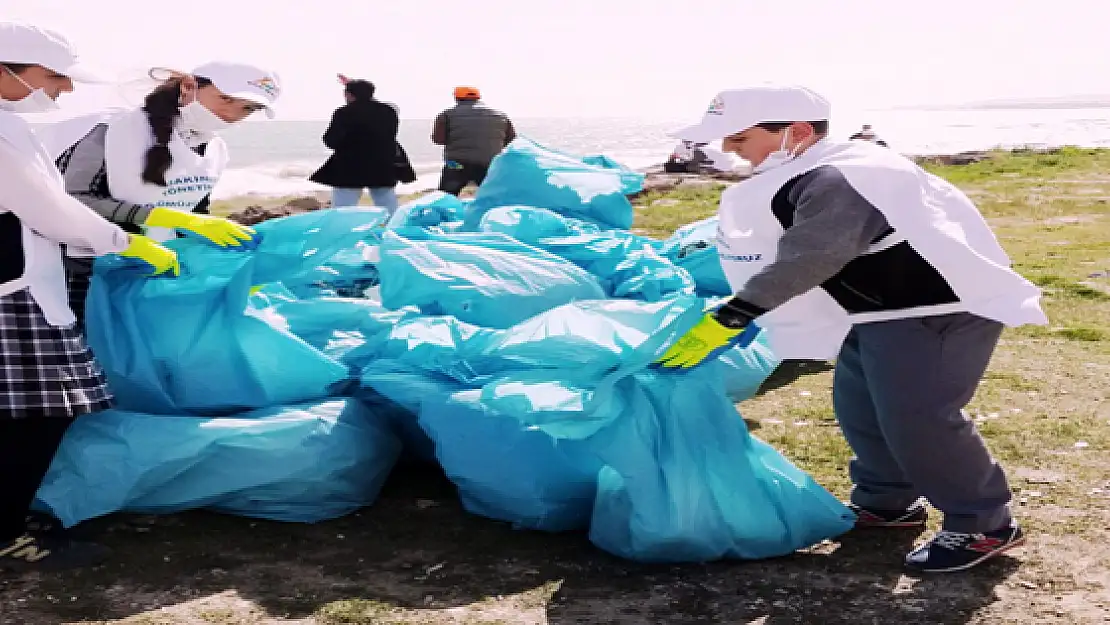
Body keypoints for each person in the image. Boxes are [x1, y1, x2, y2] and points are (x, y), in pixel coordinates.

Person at [657, 85, 1048, 574]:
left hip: (934, 308)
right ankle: (889, 502)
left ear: (797, 132)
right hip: (880, 310)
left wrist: (734, 315)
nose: (728, 150)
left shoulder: (839, 176)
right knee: (859, 404)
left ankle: (984, 523)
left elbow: (814, 255)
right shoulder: (807, 169)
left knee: (917, 416)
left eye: (738, 137)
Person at [0, 21, 180, 570]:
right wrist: (127, 241)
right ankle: (7, 534)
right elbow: (51, 210)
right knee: (39, 414)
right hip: (15, 294)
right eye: (52, 76)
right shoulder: (5, 133)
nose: (63, 89)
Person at [38, 61, 277, 330]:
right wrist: (167, 218)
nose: (232, 113)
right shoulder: (109, 130)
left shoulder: (213, 148)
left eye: (247, 108)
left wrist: (223, 263)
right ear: (189, 86)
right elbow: (67, 200)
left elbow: (196, 211)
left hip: (144, 264)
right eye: (226, 98)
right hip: (74, 267)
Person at [309, 78, 410, 212]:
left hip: (350, 167)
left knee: (343, 208)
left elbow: (331, 141)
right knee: (388, 206)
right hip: (382, 165)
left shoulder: (343, 113)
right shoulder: (389, 112)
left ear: (349, 95)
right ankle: (391, 230)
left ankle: (344, 232)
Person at [432, 86, 516, 195]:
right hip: (489, 163)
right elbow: (511, 140)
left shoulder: (447, 114)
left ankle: (444, 210)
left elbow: (438, 139)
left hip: (456, 163)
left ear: (457, 98)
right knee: (492, 195)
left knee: (446, 195)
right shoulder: (500, 115)